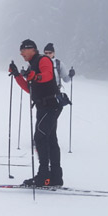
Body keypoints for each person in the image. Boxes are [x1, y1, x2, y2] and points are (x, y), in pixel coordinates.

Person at [9, 39, 64, 186]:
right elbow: (30, 89)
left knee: (40, 138)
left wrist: (35, 76)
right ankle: (55, 176)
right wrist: (17, 75)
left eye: (23, 50)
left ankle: (44, 176)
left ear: (31, 49)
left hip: (50, 105)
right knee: (50, 139)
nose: (21, 53)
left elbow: (48, 75)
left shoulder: (42, 59)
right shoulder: (33, 64)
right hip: (45, 105)